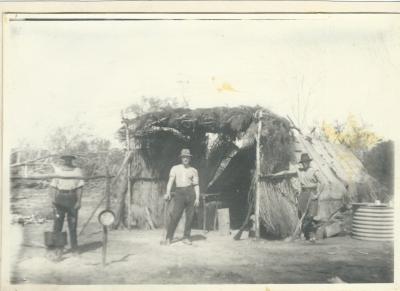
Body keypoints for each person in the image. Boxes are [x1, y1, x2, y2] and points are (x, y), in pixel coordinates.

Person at [49, 154, 85, 254]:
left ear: (72, 160)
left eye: (70, 159)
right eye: (65, 159)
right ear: (63, 160)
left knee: (72, 225)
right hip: (60, 198)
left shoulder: (77, 171)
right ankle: (58, 248)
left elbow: (80, 187)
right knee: (57, 224)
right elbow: (53, 186)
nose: (67, 161)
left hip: (72, 197)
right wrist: (53, 200)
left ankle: (74, 248)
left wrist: (79, 201)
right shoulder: (58, 171)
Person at [163, 148, 200, 245]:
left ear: (190, 158)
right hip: (179, 193)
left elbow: (196, 185)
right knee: (175, 216)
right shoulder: (175, 168)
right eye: (184, 157)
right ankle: (168, 237)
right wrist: (168, 193)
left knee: (190, 217)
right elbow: (170, 181)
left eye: (187, 157)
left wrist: (197, 198)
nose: (185, 159)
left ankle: (186, 237)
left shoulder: (194, 170)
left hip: (191, 193)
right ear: (181, 158)